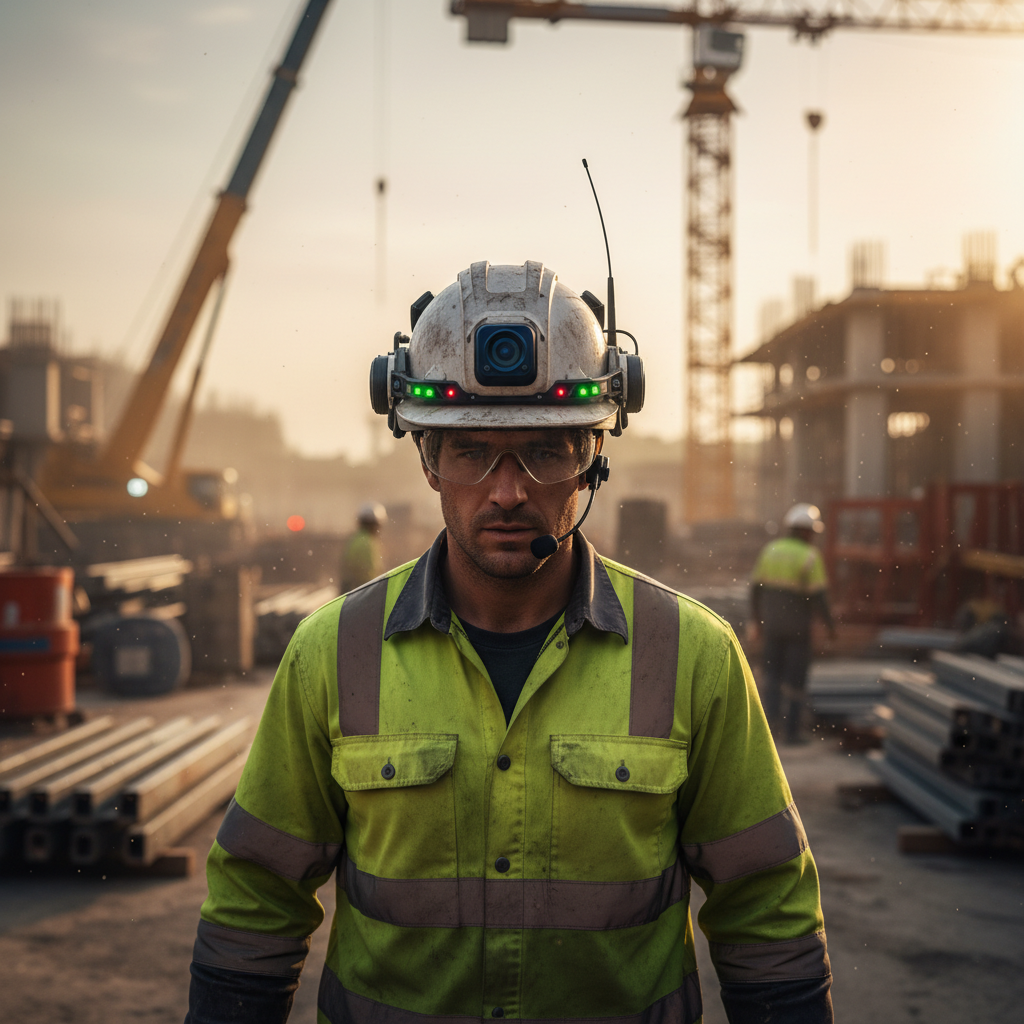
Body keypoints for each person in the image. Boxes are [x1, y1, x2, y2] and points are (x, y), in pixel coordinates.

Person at [186, 262, 833, 1024]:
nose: (507, 490)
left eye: (545, 450)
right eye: (470, 451)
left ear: (595, 453)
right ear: (425, 457)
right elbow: (257, 896)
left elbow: (765, 910)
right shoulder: (331, 653)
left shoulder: (694, 656)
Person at [749, 503, 836, 743]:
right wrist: (830, 627)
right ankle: (792, 733)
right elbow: (819, 596)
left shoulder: (770, 550)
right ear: (806, 531)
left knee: (772, 678)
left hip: (772, 627)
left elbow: (755, 590)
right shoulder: (810, 556)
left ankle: (769, 731)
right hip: (797, 630)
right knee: (796, 682)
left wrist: (757, 622)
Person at [339, 502, 385, 591]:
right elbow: (370, 574)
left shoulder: (355, 539)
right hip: (363, 592)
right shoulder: (368, 543)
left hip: (352, 591)